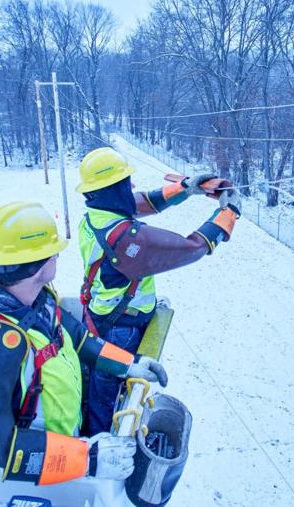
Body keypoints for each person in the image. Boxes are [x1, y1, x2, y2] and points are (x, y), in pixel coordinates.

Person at [0, 200, 170, 485]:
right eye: (54, 253)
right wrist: (86, 458)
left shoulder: (37, 302)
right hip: (16, 482)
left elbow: (78, 338)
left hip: (59, 460)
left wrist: (130, 365)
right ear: (39, 266)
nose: (57, 258)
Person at [74, 145, 239, 435]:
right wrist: (228, 214)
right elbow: (192, 247)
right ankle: (99, 445)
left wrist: (186, 188)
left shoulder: (96, 214)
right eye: (125, 183)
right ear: (113, 189)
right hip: (120, 327)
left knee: (102, 392)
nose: (131, 187)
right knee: (107, 400)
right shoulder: (125, 239)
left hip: (104, 319)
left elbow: (143, 202)